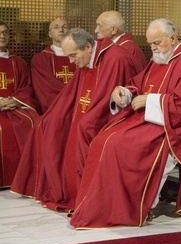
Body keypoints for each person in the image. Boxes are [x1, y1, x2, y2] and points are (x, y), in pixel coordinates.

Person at [70, 19, 181, 228]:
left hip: (175, 127)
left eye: (156, 43)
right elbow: (141, 83)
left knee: (116, 145)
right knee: (102, 139)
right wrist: (125, 92)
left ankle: (130, 208)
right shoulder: (161, 57)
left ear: (172, 38)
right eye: (150, 44)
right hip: (152, 119)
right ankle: (106, 205)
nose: (153, 48)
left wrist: (150, 100)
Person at [11, 28, 139, 211]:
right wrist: (55, 115)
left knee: (83, 127)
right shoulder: (87, 59)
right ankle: (64, 188)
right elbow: (71, 94)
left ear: (88, 46)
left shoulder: (115, 58)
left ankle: (85, 195)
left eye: (73, 55)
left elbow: (110, 99)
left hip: (114, 117)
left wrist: (87, 120)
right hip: (88, 112)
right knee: (47, 123)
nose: (71, 62)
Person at [0, 21, 40, 188]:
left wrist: (14, 101)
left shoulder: (19, 62)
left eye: (5, 33)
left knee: (34, 123)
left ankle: (27, 179)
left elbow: (26, 87)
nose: (2, 36)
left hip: (14, 106)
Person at [30, 18, 76, 113]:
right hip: (54, 108)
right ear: (50, 34)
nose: (61, 30)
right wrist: (72, 97)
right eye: (56, 27)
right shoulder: (40, 59)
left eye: (65, 27)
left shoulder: (80, 55)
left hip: (79, 105)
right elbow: (45, 89)